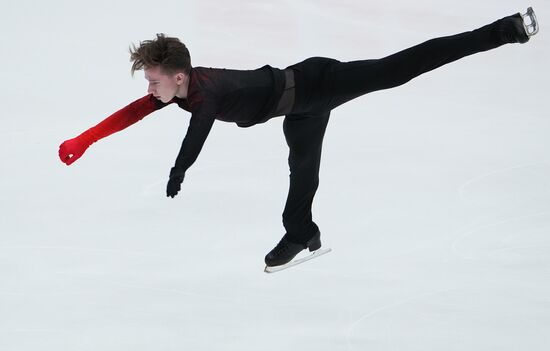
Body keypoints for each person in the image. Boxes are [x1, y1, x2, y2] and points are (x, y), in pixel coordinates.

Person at [59, 8, 539, 269]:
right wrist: (84, 140)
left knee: (399, 69)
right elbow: (129, 114)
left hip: (316, 83)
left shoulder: (204, 96)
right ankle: (302, 234)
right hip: (297, 111)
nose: (150, 90)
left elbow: (197, 133)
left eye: (154, 81)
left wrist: (179, 170)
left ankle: (506, 30)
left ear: (179, 77)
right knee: (300, 177)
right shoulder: (182, 92)